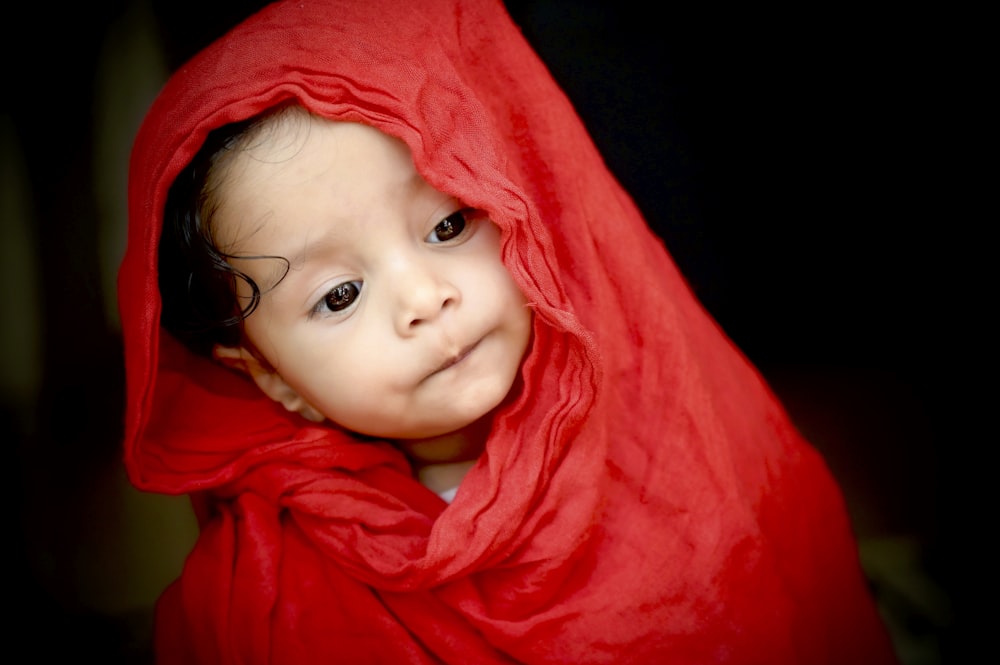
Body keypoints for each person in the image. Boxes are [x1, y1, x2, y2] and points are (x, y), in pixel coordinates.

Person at [119, 0, 900, 662]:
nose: (425, 297)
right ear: (270, 375)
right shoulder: (263, 593)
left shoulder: (686, 437)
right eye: (341, 294)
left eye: (450, 223)